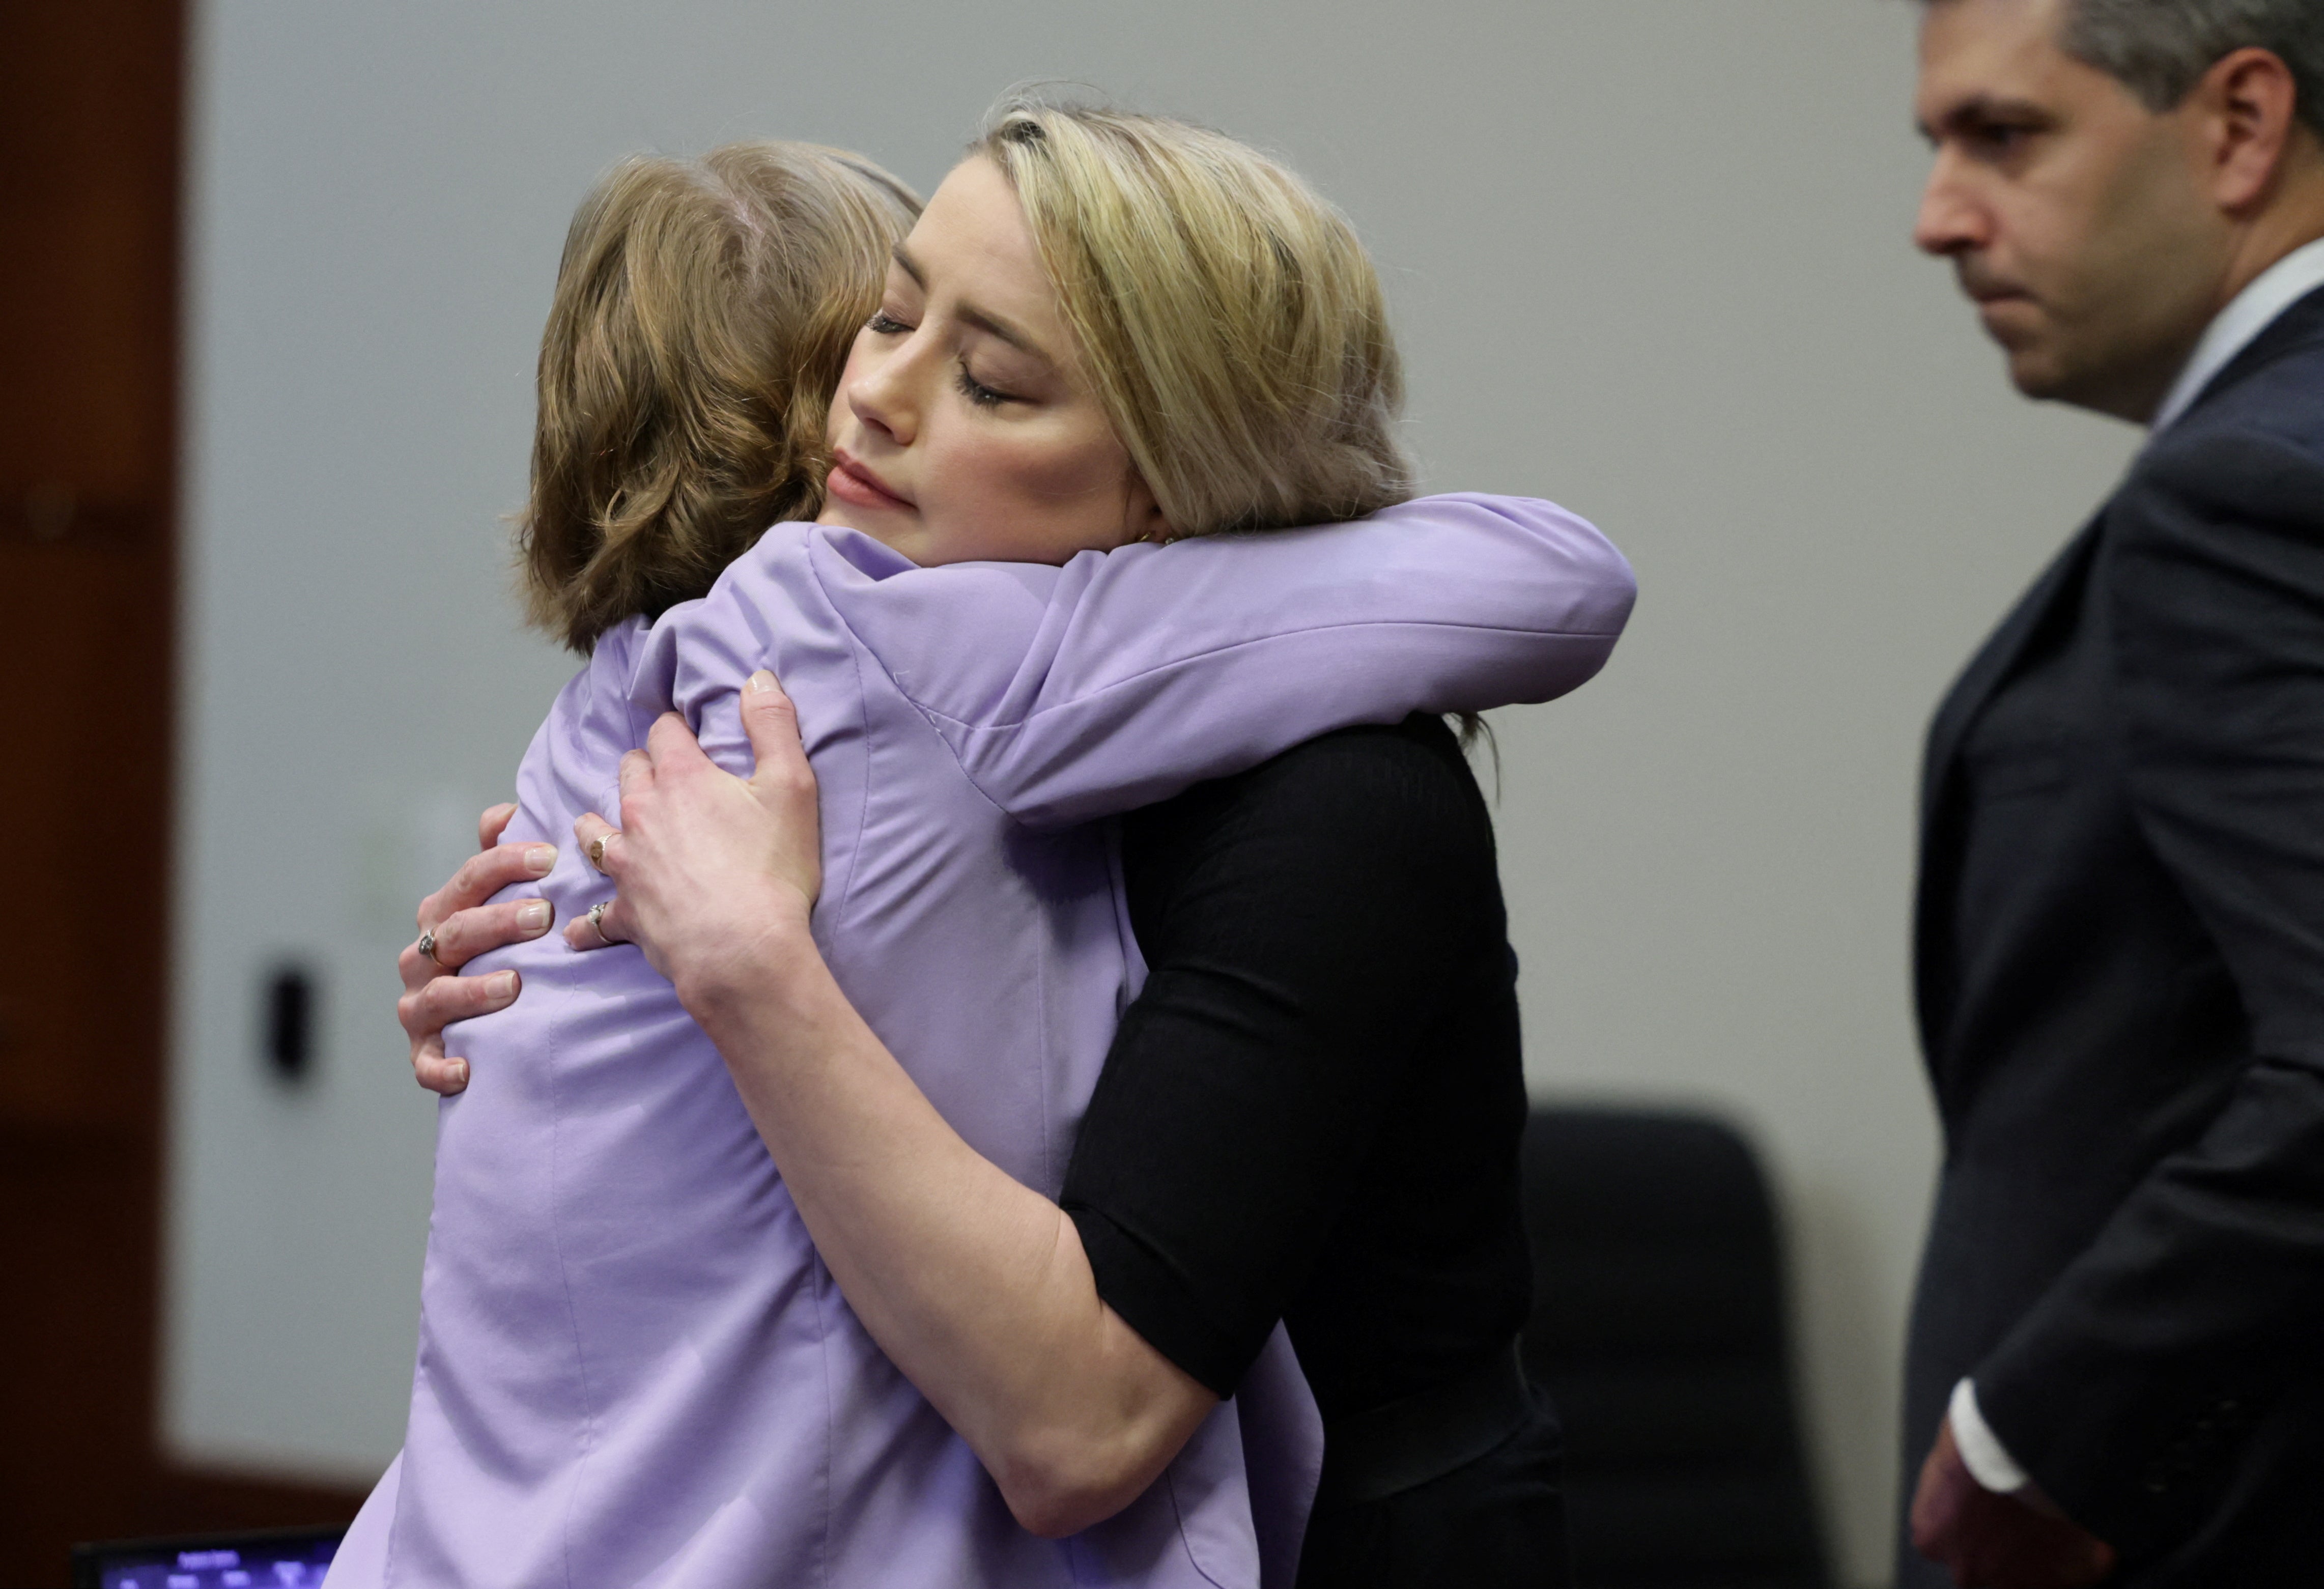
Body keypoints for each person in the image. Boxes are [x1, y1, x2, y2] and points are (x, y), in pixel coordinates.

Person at [374, 103, 1634, 1589]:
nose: (877, 400)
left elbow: (1079, 1428)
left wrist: (745, 958)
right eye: (891, 318)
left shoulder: (1332, 799)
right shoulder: (822, 680)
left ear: (1171, 485)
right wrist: (556, 909)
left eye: (990, 380)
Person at [1901, 1, 2324, 1584]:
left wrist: (2045, 1428)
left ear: (2240, 126)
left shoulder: (2247, 492)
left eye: (2005, 136)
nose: (1938, 215)